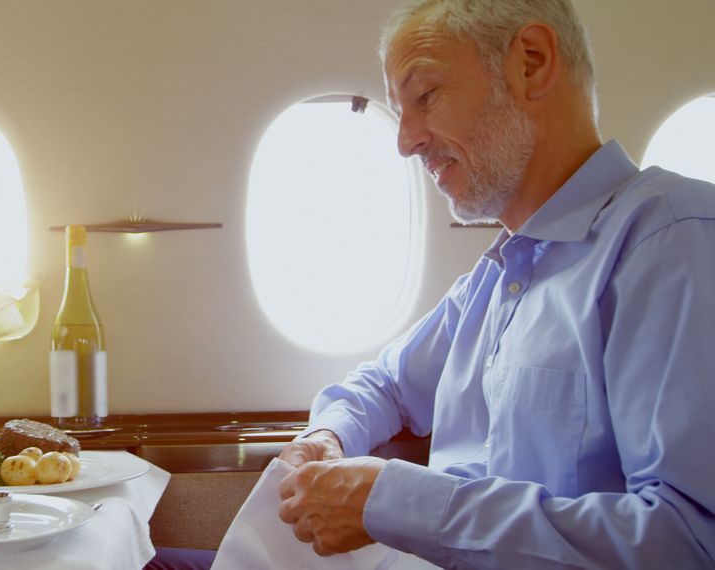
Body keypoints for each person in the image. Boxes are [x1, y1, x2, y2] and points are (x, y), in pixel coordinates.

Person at [277, 0, 715, 568]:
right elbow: (383, 385)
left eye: (425, 96)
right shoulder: (497, 277)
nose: (405, 141)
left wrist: (396, 502)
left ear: (531, 63)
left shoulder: (670, 237)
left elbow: (685, 541)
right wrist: (329, 437)